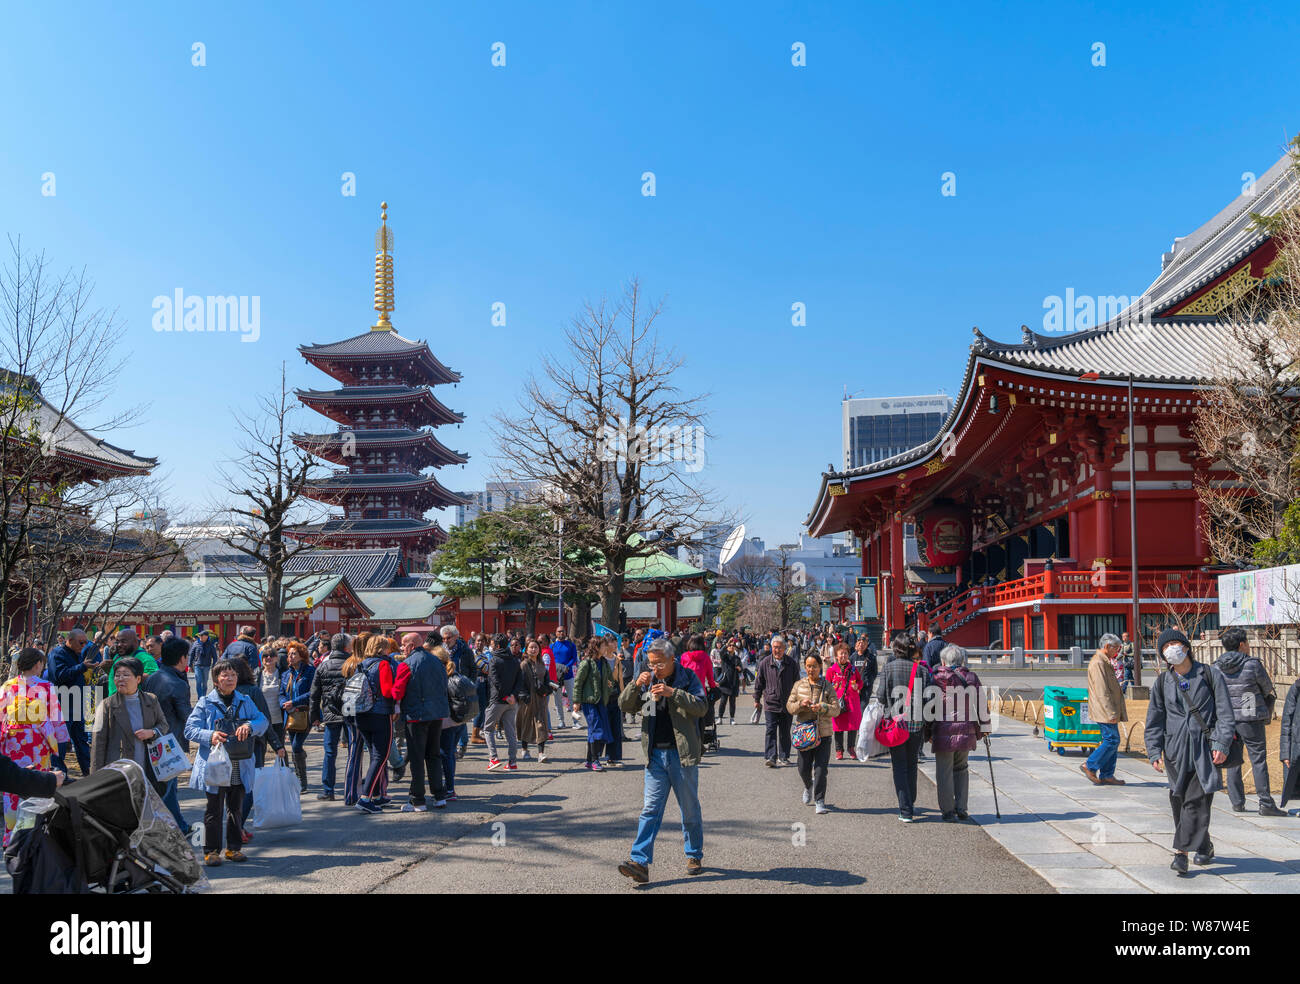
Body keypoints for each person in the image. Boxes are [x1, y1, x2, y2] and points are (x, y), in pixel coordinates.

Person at [616, 637, 707, 884]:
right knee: (650, 810)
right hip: (654, 754)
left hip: (682, 754)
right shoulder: (648, 680)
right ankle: (640, 862)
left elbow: (701, 707)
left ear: (671, 660)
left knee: (689, 808)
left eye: (658, 664)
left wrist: (672, 693)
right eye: (650, 663)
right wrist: (636, 685)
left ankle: (693, 854)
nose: (654, 668)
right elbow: (625, 705)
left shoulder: (688, 678)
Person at [1144, 628, 1235, 875]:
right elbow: (1154, 719)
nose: (1171, 649)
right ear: (1163, 655)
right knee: (1179, 800)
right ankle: (1204, 846)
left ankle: (1180, 854)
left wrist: (1221, 743)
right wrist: (1154, 751)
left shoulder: (1209, 674)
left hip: (1205, 749)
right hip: (1175, 750)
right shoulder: (1163, 682)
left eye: (1175, 643)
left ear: (1186, 647)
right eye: (1165, 647)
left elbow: (1226, 714)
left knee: (1196, 800)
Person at [186, 658, 269, 866]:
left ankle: (233, 848)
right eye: (225, 675)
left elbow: (263, 721)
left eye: (233, 675)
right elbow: (190, 729)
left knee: (236, 807)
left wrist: (250, 725)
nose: (230, 679)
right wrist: (210, 735)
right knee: (214, 809)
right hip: (215, 765)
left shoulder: (245, 700)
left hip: (239, 764)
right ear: (216, 680)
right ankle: (211, 851)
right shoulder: (205, 702)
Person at [1216, 626, 1285, 816]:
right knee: (1258, 761)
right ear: (1242, 644)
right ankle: (1265, 802)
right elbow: (1267, 687)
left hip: (1228, 719)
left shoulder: (1216, 666)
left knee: (1233, 761)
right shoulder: (1252, 664)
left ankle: (1237, 802)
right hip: (1251, 717)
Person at [0, 648, 66, 843]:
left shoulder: (7, 686)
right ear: (38, 665)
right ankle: (33, 832)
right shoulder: (45, 686)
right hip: (37, 742)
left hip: (13, 740)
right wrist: (62, 740)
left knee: (11, 783)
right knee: (37, 782)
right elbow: (55, 716)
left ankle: (10, 834)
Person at [90, 657, 170, 798]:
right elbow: (98, 744)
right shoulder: (107, 705)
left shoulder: (151, 700)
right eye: (117, 675)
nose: (120, 679)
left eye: (126, 675)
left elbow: (163, 725)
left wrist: (152, 732)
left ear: (138, 679)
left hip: (147, 766)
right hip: (118, 768)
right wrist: (95, 779)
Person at [874, 634, 931, 823]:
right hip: (916, 723)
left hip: (896, 724)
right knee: (911, 763)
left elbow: (881, 696)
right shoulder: (921, 670)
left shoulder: (888, 668)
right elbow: (929, 697)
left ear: (896, 648)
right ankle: (910, 801)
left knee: (899, 765)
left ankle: (905, 809)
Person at [930, 644, 988, 822]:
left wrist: (926, 731)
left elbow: (929, 705)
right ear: (962, 660)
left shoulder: (936, 678)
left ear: (943, 661)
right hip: (965, 731)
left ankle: (948, 811)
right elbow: (981, 704)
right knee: (962, 769)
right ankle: (961, 807)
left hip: (942, 731)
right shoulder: (971, 677)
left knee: (944, 772)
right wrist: (985, 728)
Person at [143, 638, 194, 831]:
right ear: (182, 658)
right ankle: (172, 826)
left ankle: (179, 824)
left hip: (152, 738)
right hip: (171, 741)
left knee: (167, 787)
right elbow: (185, 715)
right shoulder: (178, 683)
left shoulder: (152, 678)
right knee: (168, 787)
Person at [396, 632, 449, 811]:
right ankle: (439, 796)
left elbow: (397, 692)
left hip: (416, 715)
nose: (402, 648)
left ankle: (418, 799)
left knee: (417, 758)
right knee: (433, 755)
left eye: (403, 645)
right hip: (436, 714)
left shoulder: (406, 664)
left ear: (411, 645)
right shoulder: (437, 661)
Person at [355, 635, 399, 814]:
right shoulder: (383, 664)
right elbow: (388, 690)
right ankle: (366, 797)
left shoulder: (362, 664)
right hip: (380, 713)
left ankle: (376, 794)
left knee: (374, 754)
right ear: (382, 648)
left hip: (361, 713)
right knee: (381, 755)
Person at [787, 653, 835, 814]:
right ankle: (808, 785)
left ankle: (820, 800)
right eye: (808, 666)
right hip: (804, 733)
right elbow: (789, 706)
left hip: (824, 732)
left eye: (814, 666)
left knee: (821, 769)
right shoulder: (798, 685)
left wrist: (823, 707)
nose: (811, 669)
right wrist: (801, 704)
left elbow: (836, 709)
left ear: (820, 666)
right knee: (803, 768)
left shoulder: (827, 686)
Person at [47, 627, 100, 775]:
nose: (83, 646)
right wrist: (82, 666)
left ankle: (88, 771)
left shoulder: (77, 653)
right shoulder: (57, 654)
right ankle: (59, 774)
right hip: (62, 702)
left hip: (77, 702)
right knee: (61, 742)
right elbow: (59, 676)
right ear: (69, 641)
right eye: (81, 643)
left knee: (81, 739)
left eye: (85, 643)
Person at [1081, 633, 1127, 787]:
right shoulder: (1099, 663)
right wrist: (1110, 712)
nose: (1118, 651)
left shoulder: (1104, 661)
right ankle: (1090, 765)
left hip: (1107, 708)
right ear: (1107, 646)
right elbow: (1102, 691)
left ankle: (1107, 775)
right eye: (1116, 648)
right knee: (1111, 739)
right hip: (1104, 709)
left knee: (1113, 740)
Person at [309, 633, 350, 801]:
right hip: (350, 711)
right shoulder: (352, 665)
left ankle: (328, 789)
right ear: (347, 647)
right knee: (353, 751)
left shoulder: (322, 667)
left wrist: (314, 716)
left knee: (330, 752)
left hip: (330, 711)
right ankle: (352, 786)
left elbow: (314, 694)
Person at [753, 635, 799, 767]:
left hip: (787, 702)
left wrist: (798, 700)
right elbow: (759, 683)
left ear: (784, 648)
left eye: (779, 647)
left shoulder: (791, 663)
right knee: (770, 730)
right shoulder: (765, 663)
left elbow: (797, 683)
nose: (777, 650)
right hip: (770, 701)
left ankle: (784, 756)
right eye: (774, 647)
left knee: (785, 731)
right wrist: (757, 699)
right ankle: (771, 756)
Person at [574, 637, 615, 770]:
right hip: (589, 701)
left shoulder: (603, 662)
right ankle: (595, 760)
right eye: (603, 646)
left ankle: (589, 760)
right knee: (597, 729)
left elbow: (610, 678)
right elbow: (578, 683)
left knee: (597, 730)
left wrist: (609, 685)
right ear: (596, 647)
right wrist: (576, 702)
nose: (606, 648)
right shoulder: (586, 663)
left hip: (601, 701)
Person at [281, 641, 315, 793]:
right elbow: (281, 693)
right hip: (290, 715)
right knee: (295, 747)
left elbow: (312, 692)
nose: (291, 657)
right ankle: (300, 760)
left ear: (302, 656)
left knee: (295, 746)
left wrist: (294, 702)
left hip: (304, 712)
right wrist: (284, 703)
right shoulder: (286, 674)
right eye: (289, 654)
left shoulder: (309, 671)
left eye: (294, 654)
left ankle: (302, 781)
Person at [825, 642, 863, 761]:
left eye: (845, 654)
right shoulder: (832, 670)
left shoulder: (852, 669)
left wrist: (857, 686)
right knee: (838, 727)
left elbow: (860, 681)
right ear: (836, 656)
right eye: (841, 654)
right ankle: (839, 750)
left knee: (852, 726)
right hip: (837, 702)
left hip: (852, 702)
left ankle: (851, 748)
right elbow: (826, 685)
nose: (843, 656)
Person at [517, 638, 551, 762]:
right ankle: (525, 750)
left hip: (540, 699)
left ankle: (541, 753)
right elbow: (519, 682)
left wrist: (547, 689)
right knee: (526, 724)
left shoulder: (542, 664)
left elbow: (547, 680)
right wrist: (523, 696)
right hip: (527, 700)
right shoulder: (524, 665)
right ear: (526, 650)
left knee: (541, 724)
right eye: (531, 647)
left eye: (536, 647)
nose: (533, 649)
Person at [105, 629, 158, 695]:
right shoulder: (118, 655)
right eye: (117, 642)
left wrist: (130, 675)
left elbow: (154, 679)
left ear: (135, 642)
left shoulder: (145, 658)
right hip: (114, 702)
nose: (119, 645)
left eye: (123, 641)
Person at [551, 624, 579, 728]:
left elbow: (574, 658)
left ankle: (575, 721)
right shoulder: (552, 646)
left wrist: (567, 667)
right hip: (555, 677)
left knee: (572, 699)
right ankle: (561, 721)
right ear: (556, 633)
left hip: (568, 675)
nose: (561, 633)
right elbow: (550, 659)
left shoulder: (571, 645)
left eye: (563, 631)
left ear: (565, 633)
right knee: (557, 700)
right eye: (559, 631)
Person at [715, 637, 742, 725]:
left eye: (732, 646)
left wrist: (739, 668)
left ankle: (732, 718)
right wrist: (726, 643)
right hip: (725, 682)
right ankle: (720, 718)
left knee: (732, 702)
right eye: (730, 645)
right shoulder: (725, 657)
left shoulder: (737, 658)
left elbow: (741, 669)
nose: (731, 647)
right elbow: (721, 652)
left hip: (734, 682)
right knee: (723, 701)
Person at [188, 630, 219, 699]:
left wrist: (214, 665)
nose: (200, 637)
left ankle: (204, 696)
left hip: (206, 666)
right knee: (198, 681)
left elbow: (214, 656)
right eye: (200, 636)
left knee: (205, 683)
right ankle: (200, 697)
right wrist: (189, 665)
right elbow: (192, 654)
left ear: (206, 636)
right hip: (197, 665)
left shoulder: (210, 644)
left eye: (202, 636)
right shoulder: (196, 643)